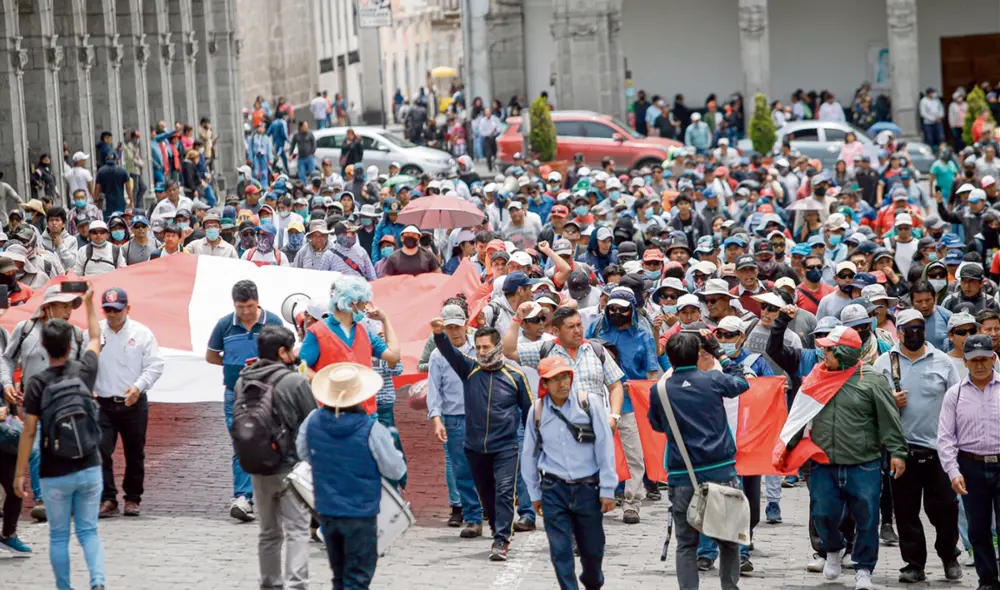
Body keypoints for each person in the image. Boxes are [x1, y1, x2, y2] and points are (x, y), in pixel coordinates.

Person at [774, 325, 907, 590]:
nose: (823, 353)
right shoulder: (816, 377)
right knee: (823, 515)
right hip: (824, 463)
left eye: (829, 349)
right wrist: (785, 448)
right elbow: (800, 416)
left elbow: (889, 419)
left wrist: (898, 452)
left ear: (845, 352)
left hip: (864, 463)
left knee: (867, 518)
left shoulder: (872, 380)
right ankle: (833, 551)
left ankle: (864, 570)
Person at [13, 283, 106, 590]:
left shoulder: (37, 383)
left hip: (54, 471)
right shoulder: (84, 370)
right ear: (70, 343)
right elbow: (95, 337)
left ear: (44, 343)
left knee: (58, 535)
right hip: (90, 463)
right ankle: (98, 581)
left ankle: (65, 587)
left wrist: (20, 474)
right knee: (89, 531)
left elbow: (28, 431)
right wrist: (90, 304)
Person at [648, 329, 750, 590]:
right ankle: (729, 586)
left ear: (669, 359)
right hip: (721, 472)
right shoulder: (714, 380)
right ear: (697, 355)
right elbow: (741, 382)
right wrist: (721, 354)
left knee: (686, 543)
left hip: (683, 476)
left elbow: (657, 425)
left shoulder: (659, 390)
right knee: (728, 540)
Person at [431, 318, 533, 562]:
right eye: (478, 347)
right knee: (487, 496)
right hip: (475, 447)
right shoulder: (469, 369)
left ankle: (501, 540)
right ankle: (498, 526)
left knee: (505, 491)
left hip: (506, 447)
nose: (481, 352)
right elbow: (448, 351)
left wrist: (535, 443)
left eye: (486, 347)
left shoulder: (515, 376)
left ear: (498, 347)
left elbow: (529, 412)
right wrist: (438, 334)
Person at [296, 363, 406, 589]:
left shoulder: (312, 420)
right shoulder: (371, 428)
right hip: (360, 512)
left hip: (326, 509)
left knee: (339, 575)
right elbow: (395, 469)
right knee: (357, 576)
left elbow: (302, 452)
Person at [872, 309, 962, 583]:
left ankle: (949, 556)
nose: (913, 333)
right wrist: (890, 400)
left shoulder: (943, 361)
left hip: (939, 451)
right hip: (902, 451)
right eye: (907, 328)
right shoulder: (884, 364)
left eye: (918, 327)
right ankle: (914, 564)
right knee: (906, 512)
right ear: (897, 331)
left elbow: (957, 403)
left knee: (945, 510)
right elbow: (873, 406)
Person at [521, 356, 617, 590]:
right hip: (554, 489)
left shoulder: (589, 403)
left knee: (592, 550)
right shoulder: (538, 410)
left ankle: (593, 583)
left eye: (565, 376)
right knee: (560, 551)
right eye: (555, 379)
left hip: (588, 488)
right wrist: (534, 494)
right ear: (544, 384)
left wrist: (607, 489)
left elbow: (604, 446)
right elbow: (529, 455)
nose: (562, 383)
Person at [235, 325, 317, 590]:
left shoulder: (243, 380)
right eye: (291, 348)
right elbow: (312, 422)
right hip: (290, 468)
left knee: (268, 532)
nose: (294, 353)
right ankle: (296, 585)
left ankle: (269, 584)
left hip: (257, 466)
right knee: (297, 530)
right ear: (282, 352)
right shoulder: (294, 381)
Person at [205, 280, 284, 522]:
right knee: (243, 442)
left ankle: (272, 493)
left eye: (249, 306)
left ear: (258, 302)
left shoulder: (273, 323)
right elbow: (211, 355)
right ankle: (243, 497)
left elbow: (283, 356)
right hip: (235, 393)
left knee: (273, 441)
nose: (245, 312)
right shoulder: (225, 325)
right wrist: (232, 366)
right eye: (240, 307)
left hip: (267, 393)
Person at [938, 334, 1000, 590]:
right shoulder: (955, 394)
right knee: (978, 528)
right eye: (974, 360)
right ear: (965, 361)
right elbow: (945, 437)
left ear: (994, 358)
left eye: (985, 359)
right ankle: (988, 581)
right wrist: (953, 472)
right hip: (970, 466)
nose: (980, 365)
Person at [95, 288, 164, 518]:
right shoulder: (94, 332)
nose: (112, 315)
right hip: (103, 402)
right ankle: (108, 497)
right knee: (101, 450)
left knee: (135, 452)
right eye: (107, 310)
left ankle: (133, 497)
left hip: (132, 403)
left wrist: (139, 386)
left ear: (127, 309)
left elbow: (155, 365)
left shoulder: (142, 333)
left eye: (117, 310)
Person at [298, 275, 401, 418]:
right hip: (333, 414)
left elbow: (393, 356)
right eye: (364, 304)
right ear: (352, 303)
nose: (366, 308)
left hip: (367, 413)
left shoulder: (364, 331)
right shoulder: (317, 331)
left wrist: (385, 320)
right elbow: (300, 366)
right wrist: (322, 382)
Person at [427, 303, 484, 539]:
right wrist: (437, 420)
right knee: (462, 469)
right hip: (453, 417)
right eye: (449, 328)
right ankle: (472, 516)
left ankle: (489, 510)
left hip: (481, 416)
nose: (455, 332)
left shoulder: (480, 347)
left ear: (466, 325)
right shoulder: (437, 355)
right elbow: (434, 390)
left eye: (457, 327)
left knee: (486, 467)